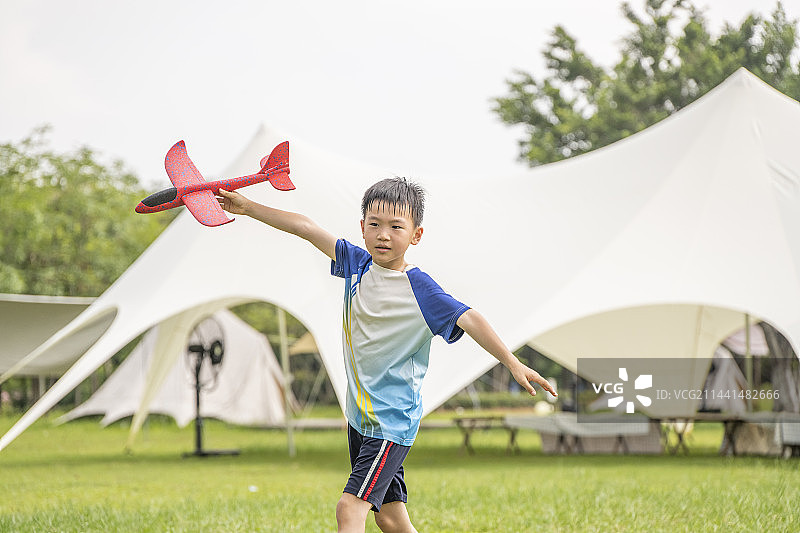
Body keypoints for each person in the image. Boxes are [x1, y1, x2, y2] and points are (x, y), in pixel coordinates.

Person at [218, 178, 556, 533]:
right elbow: (306, 227)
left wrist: (513, 362)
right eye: (374, 224)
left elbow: (468, 317)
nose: (383, 234)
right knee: (391, 518)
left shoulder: (420, 288)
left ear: (416, 235)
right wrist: (247, 207)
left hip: (390, 422)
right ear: (361, 228)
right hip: (361, 418)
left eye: (396, 227)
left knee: (350, 508)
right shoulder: (356, 265)